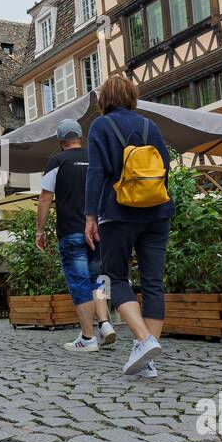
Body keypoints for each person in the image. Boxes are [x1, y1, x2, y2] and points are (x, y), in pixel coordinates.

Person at [85, 75, 173, 377]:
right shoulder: (151, 126)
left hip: (118, 212)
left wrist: (90, 216)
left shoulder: (101, 126)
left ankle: (144, 340)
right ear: (133, 97)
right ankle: (147, 359)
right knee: (153, 282)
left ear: (104, 100)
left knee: (115, 277)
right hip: (157, 212)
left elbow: (95, 173)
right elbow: (166, 167)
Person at [37, 118, 116, 351]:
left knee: (80, 282)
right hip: (99, 230)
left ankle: (88, 338)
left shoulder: (57, 161)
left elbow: (44, 197)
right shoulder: (95, 158)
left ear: (61, 141)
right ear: (81, 137)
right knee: (98, 278)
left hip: (71, 230)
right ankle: (105, 323)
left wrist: (40, 231)